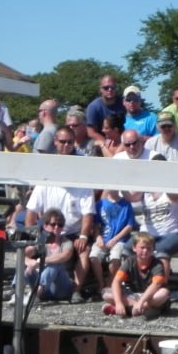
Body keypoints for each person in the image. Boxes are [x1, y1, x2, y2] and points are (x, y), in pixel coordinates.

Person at [25, 127, 96, 304]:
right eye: (62, 141)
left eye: (70, 142)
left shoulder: (82, 181)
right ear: (55, 142)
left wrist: (83, 236)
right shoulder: (46, 178)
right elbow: (31, 211)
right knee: (26, 248)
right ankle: (24, 286)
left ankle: (76, 290)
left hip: (72, 231)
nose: (66, 145)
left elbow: (88, 214)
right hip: (48, 230)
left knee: (84, 250)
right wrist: (31, 234)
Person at [101, 232, 171, 319]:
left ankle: (129, 309)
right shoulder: (129, 262)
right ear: (134, 248)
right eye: (142, 248)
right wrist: (118, 302)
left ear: (153, 249)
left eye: (149, 248)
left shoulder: (157, 264)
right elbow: (116, 282)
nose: (145, 251)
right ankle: (141, 309)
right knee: (106, 293)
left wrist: (141, 302)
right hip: (133, 295)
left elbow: (156, 284)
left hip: (150, 296)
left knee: (163, 293)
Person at [22, 208, 75, 302]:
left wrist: (39, 262)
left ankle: (36, 293)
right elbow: (23, 254)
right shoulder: (41, 242)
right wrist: (30, 262)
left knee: (55, 264)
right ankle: (19, 292)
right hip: (45, 290)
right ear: (45, 225)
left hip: (61, 288)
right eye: (53, 224)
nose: (57, 227)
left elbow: (65, 255)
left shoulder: (66, 242)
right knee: (25, 268)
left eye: (60, 225)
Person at [89, 190, 137, 292]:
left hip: (120, 239)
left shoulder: (126, 204)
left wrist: (115, 239)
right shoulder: (100, 204)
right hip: (103, 238)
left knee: (115, 258)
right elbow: (96, 225)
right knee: (93, 257)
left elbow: (129, 226)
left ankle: (110, 282)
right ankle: (101, 282)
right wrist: (98, 238)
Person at [85, 75, 126, 143]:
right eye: (106, 88)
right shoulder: (93, 107)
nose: (110, 90)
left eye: (113, 87)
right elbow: (91, 132)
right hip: (102, 143)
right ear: (100, 89)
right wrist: (107, 144)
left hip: (123, 142)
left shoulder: (124, 103)